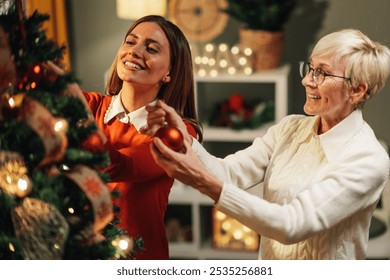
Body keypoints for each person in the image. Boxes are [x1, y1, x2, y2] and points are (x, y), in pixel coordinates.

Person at [143, 29, 390, 260]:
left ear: (356, 90)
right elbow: (228, 174)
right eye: (310, 68)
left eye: (321, 73)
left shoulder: (368, 159)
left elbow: (291, 224)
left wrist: (205, 184)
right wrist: (186, 140)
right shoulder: (290, 129)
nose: (306, 80)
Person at [65, 15, 201, 259]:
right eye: (130, 42)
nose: (134, 52)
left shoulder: (178, 132)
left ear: (169, 73)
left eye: (151, 48)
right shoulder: (90, 105)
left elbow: (120, 166)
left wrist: (79, 124)